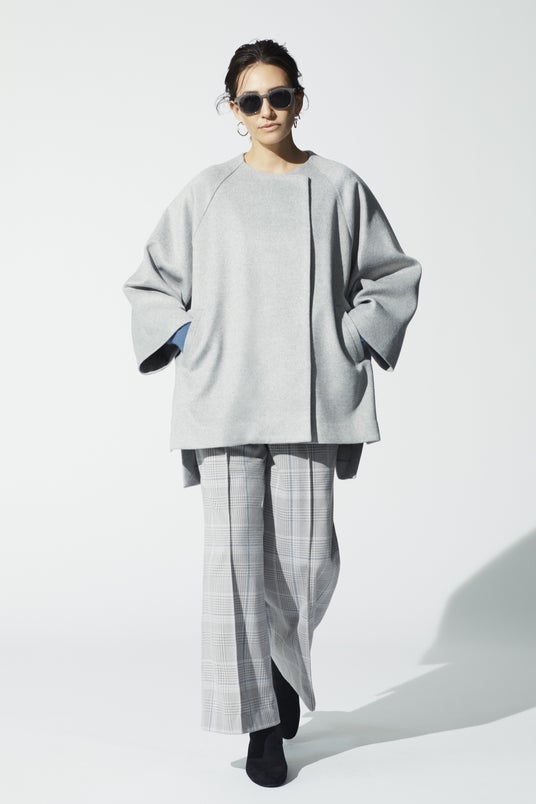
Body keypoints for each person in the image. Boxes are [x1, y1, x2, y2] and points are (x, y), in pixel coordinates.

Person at [122, 38, 422, 788]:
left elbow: (392, 276)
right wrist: (192, 337)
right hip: (224, 402)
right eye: (250, 99)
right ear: (233, 107)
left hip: (310, 402)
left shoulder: (339, 186)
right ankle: (262, 723)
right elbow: (150, 284)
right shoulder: (208, 191)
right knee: (234, 567)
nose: (266, 110)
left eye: (278, 95)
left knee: (306, 562)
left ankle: (284, 671)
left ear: (299, 99)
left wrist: (348, 340)